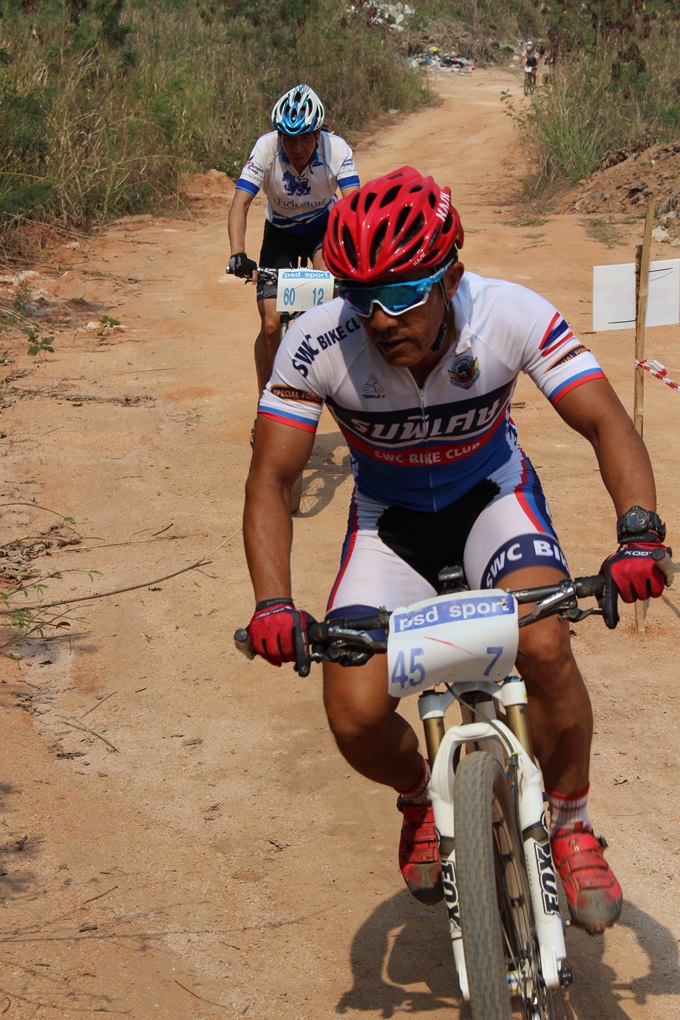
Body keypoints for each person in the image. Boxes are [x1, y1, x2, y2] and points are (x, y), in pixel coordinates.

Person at [241, 166, 671, 935]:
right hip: (390, 526)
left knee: (545, 643)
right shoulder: (317, 342)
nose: (380, 320)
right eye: (361, 297)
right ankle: (418, 796)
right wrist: (273, 602)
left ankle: (571, 820)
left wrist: (639, 534)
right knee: (353, 715)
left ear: (451, 277)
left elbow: (606, 421)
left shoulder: (508, 313)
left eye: (404, 295)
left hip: (491, 503)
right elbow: (271, 479)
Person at [227, 83, 360, 398]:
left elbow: (354, 206)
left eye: (304, 138)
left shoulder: (336, 149)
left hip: (322, 228)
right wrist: (238, 253)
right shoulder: (266, 148)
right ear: (279, 137)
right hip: (280, 232)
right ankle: (267, 402)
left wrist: (358, 252)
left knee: (331, 302)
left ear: (318, 134)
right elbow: (240, 204)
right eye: (288, 139)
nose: (297, 148)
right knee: (271, 326)